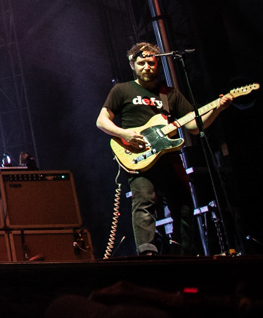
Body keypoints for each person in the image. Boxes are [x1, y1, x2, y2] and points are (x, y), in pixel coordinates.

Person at [96, 42, 231, 255]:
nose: (147, 67)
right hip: (139, 154)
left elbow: (193, 127)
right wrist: (125, 134)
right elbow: (102, 121)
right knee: (144, 202)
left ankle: (183, 251)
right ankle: (147, 253)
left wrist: (217, 109)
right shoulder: (122, 90)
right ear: (132, 65)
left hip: (169, 156)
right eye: (141, 63)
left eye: (151, 63)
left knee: (184, 204)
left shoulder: (170, 94)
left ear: (158, 64)